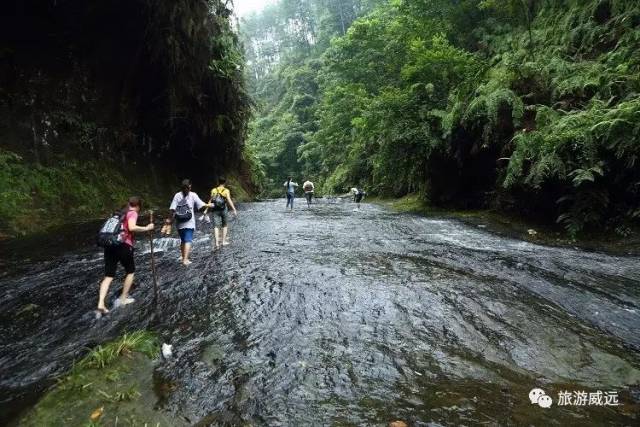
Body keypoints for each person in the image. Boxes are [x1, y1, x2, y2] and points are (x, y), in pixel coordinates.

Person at [97, 196, 154, 314]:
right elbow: (132, 227)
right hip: (123, 245)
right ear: (138, 206)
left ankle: (101, 303)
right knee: (130, 271)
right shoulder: (132, 213)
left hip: (110, 245)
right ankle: (123, 298)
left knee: (108, 276)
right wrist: (146, 228)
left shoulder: (119, 213)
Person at [169, 179, 211, 266]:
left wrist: (169, 221)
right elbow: (201, 205)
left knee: (183, 240)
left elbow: (172, 209)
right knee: (188, 240)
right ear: (190, 186)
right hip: (189, 222)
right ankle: (185, 260)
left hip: (179, 222)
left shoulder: (177, 195)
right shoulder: (192, 195)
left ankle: (183, 256)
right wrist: (209, 205)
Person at [209, 176, 238, 250]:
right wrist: (234, 209)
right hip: (223, 209)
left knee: (216, 226)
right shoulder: (226, 190)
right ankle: (223, 241)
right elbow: (229, 200)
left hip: (215, 209)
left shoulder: (213, 190)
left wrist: (206, 210)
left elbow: (211, 201)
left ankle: (216, 243)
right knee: (224, 225)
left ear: (218, 182)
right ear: (225, 182)